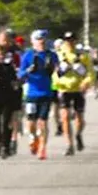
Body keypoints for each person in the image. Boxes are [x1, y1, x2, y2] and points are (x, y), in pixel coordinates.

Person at [18, 30, 61, 160]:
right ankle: (33, 137)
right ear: (33, 41)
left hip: (46, 93)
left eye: (43, 39)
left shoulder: (52, 55)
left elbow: (59, 71)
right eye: (38, 39)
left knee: (43, 122)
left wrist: (60, 70)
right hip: (31, 93)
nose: (41, 42)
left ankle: (43, 148)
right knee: (31, 123)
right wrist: (27, 71)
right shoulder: (27, 55)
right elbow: (19, 74)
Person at [55, 30, 93, 153]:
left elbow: (90, 72)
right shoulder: (59, 55)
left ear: (75, 41)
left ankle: (78, 134)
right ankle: (69, 144)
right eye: (67, 40)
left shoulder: (83, 55)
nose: (70, 43)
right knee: (65, 117)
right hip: (64, 89)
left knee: (80, 119)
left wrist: (86, 82)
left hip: (78, 89)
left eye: (72, 40)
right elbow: (54, 74)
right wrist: (58, 83)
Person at [0, 31, 23, 157]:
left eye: (6, 40)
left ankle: (6, 145)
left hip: (10, 92)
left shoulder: (16, 54)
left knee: (7, 120)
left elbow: (20, 70)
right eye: (2, 40)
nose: (4, 42)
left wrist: (17, 80)